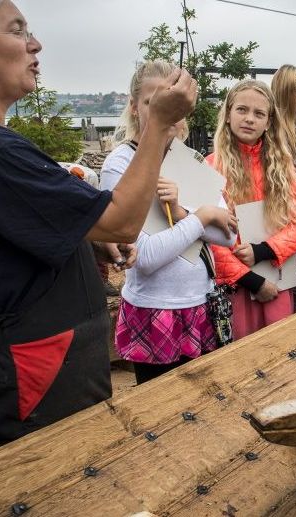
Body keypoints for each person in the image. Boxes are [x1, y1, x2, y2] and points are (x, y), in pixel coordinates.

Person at [0, 0, 196, 454]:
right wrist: (159, 124)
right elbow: (123, 221)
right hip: (38, 365)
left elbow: (6, 232)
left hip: (24, 357)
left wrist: (85, 241)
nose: (35, 44)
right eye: (17, 31)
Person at [101, 61, 237, 384]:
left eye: (170, 99)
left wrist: (181, 214)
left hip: (201, 305)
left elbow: (229, 235)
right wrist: (203, 216)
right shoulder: (121, 163)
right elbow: (144, 258)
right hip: (155, 310)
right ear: (134, 107)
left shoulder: (189, 159)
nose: (163, 109)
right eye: (151, 101)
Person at [206, 80, 296, 339]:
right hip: (234, 285)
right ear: (228, 114)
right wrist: (250, 280)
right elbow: (209, 236)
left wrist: (263, 251)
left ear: (268, 122)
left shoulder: (281, 167)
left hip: (275, 276)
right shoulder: (212, 166)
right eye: (242, 110)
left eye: (259, 113)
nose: (249, 119)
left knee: (280, 348)